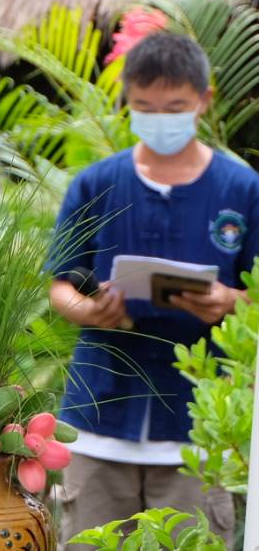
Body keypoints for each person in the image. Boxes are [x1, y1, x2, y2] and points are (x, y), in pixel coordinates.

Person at [50, 32, 255, 545]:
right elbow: (61, 285)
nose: (159, 118)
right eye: (144, 106)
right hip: (99, 417)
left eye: (175, 106)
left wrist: (231, 302)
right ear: (127, 100)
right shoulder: (96, 184)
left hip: (196, 429)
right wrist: (88, 310)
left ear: (204, 101)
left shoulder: (243, 189)